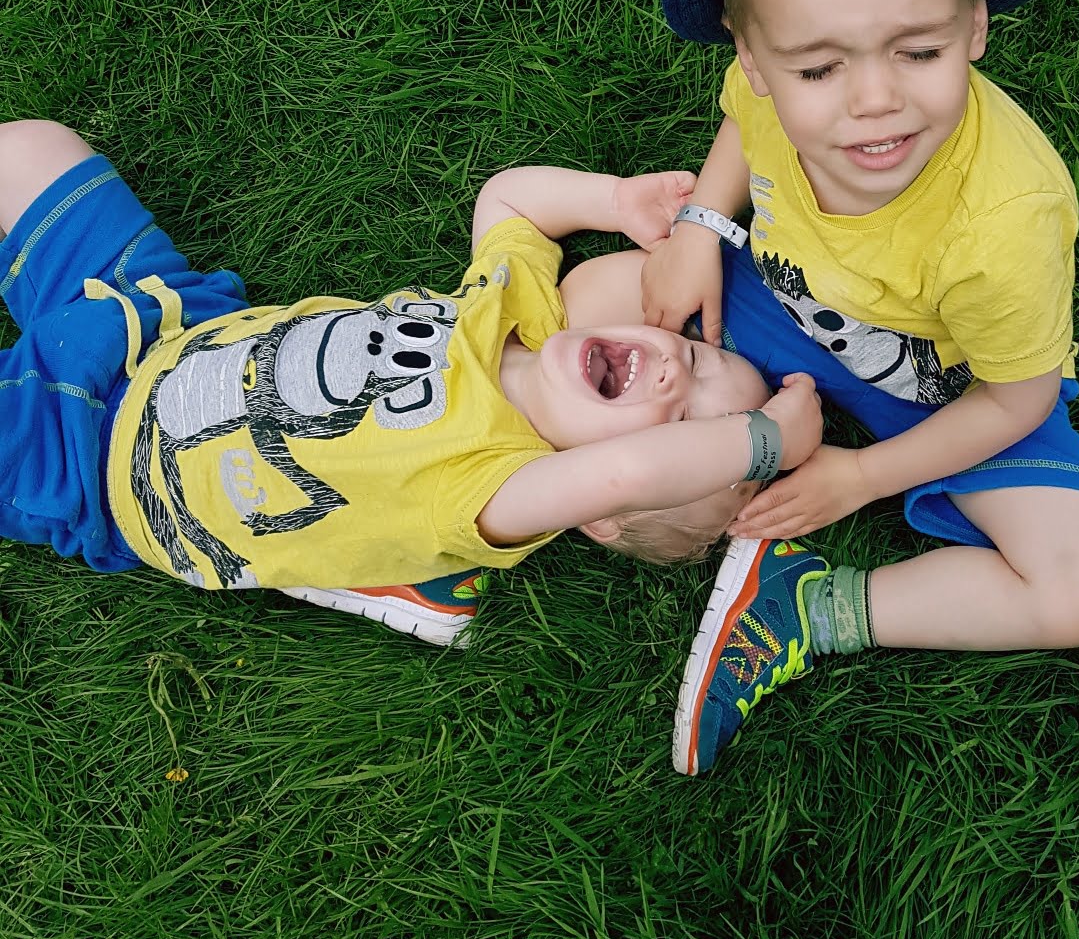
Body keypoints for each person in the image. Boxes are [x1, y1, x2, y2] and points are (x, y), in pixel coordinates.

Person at [643, 0, 1079, 774]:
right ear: (754, 53)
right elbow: (743, 122)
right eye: (819, 69)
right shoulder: (760, 83)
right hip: (782, 301)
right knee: (594, 300)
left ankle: (810, 606)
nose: (872, 102)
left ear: (975, 28)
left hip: (953, 390)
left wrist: (860, 477)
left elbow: (1018, 397)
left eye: (917, 51)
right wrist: (702, 219)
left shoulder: (1004, 222)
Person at [0, 120, 821, 638]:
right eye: (703, 358)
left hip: (102, 463)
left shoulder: (499, 484)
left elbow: (624, 471)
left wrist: (766, 441)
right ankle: (369, 570)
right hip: (173, 321)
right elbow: (508, 204)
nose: (678, 372)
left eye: (687, 429)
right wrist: (614, 201)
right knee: (28, 149)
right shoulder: (517, 316)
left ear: (598, 514)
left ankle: (382, 567)